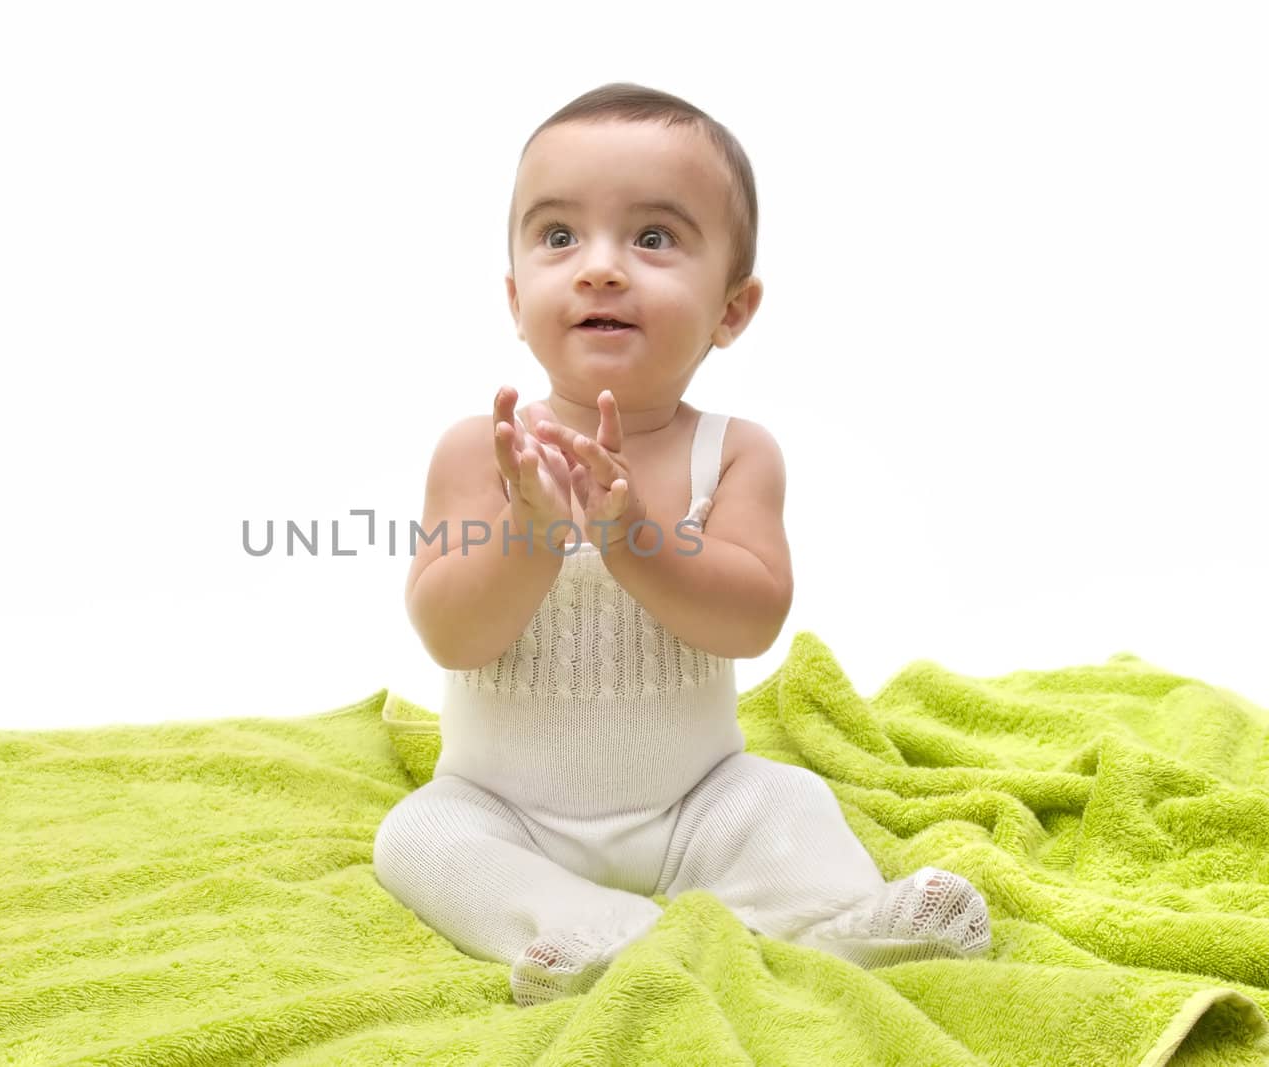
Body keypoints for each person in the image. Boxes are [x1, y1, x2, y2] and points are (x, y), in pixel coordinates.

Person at [374, 82, 990, 1008]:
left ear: (732, 309)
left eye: (653, 238)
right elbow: (452, 634)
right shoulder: (481, 452)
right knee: (418, 838)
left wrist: (632, 540)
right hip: (503, 807)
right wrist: (535, 531)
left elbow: (752, 619)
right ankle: (579, 924)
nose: (601, 269)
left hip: (696, 800)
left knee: (789, 801)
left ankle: (845, 919)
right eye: (558, 238)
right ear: (514, 296)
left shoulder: (732, 452)